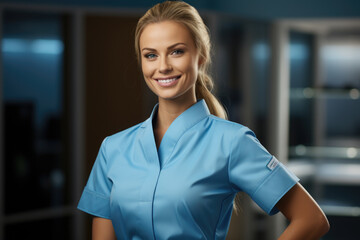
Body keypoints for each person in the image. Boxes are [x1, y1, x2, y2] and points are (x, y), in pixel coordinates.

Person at [78, 1, 330, 239]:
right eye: (151, 55)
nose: (162, 66)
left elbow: (311, 219)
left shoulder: (232, 142)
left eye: (176, 51)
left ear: (200, 57)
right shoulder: (113, 149)